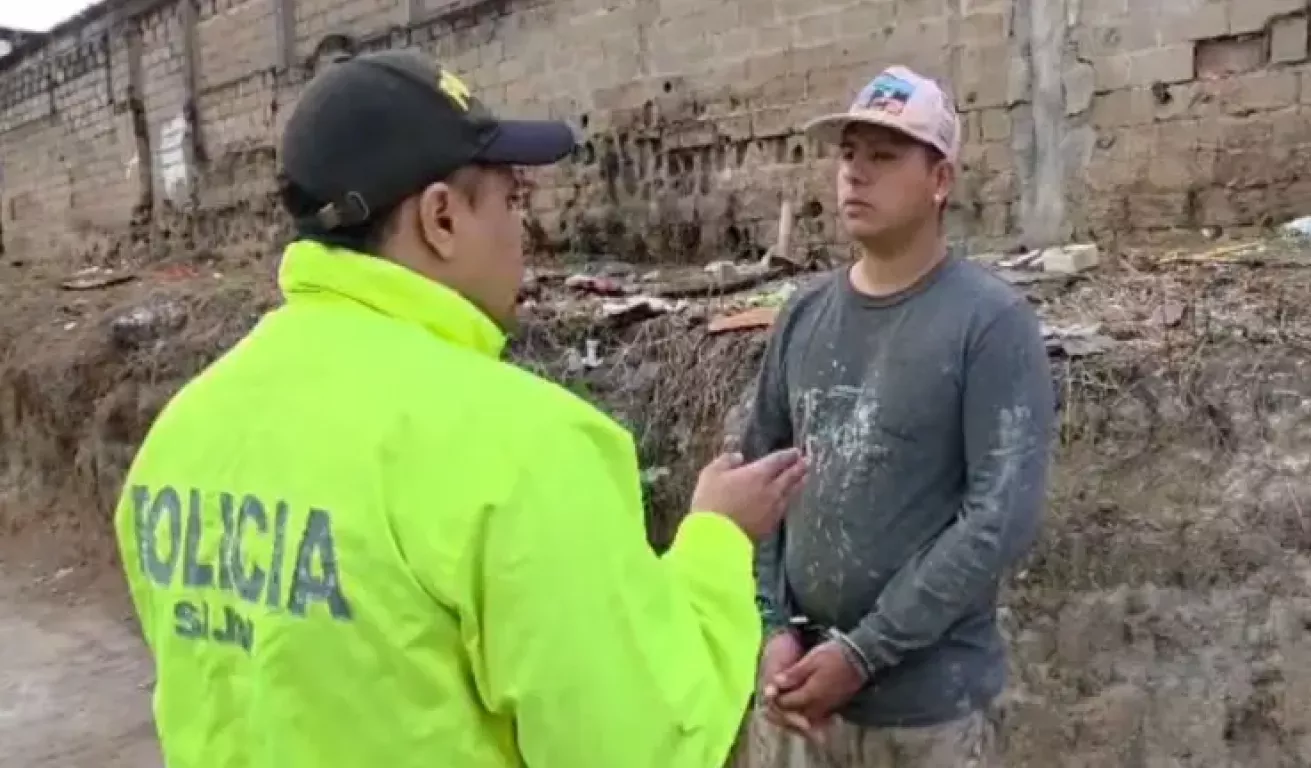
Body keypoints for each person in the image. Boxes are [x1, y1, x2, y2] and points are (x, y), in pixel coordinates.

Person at [113, 48, 808, 768]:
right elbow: (648, 743)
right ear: (441, 218)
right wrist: (717, 541)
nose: (525, 236)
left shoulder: (184, 431)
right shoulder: (522, 446)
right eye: (511, 201)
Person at [740, 65, 1055, 766]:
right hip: (796, 704)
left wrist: (862, 653)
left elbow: (997, 518)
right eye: (848, 154)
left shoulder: (990, 324)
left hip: (926, 717)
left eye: (884, 157)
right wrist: (772, 629)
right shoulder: (803, 317)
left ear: (939, 179)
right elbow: (761, 482)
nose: (855, 175)